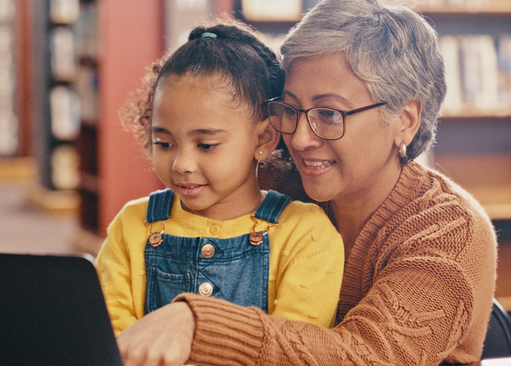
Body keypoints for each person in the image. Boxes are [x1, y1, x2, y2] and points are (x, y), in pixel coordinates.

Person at [115, 0, 498, 365]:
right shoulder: (273, 179)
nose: (298, 138)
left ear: (406, 119)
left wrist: (198, 323)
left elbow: (370, 357)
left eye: (329, 114)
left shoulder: (450, 231)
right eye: (290, 109)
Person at [95, 21, 345, 336]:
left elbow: (291, 349)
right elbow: (111, 342)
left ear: (263, 139)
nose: (182, 164)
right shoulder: (130, 226)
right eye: (165, 144)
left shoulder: (306, 235)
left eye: (206, 145)